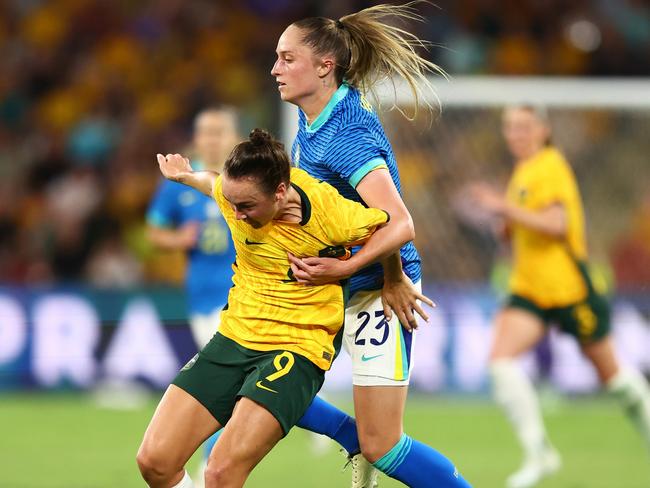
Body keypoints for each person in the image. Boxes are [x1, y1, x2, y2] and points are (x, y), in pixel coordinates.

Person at [136, 129, 411, 488]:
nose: (235, 214)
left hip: (297, 347)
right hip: (236, 336)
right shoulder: (234, 196)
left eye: (246, 207)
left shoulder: (331, 213)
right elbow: (214, 184)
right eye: (232, 204)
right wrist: (186, 176)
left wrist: (384, 277)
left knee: (219, 473)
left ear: (280, 193)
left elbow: (395, 228)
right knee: (154, 461)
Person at [271, 4, 470, 488]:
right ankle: (351, 435)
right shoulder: (319, 111)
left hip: (377, 291)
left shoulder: (346, 135)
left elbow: (399, 223)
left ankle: (366, 442)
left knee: (384, 444)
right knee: (260, 374)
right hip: (337, 285)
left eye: (286, 58)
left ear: (324, 67)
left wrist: (391, 277)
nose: (275, 69)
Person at [470, 104, 650, 488]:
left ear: (543, 129)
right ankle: (540, 453)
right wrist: (508, 226)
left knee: (615, 379)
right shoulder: (524, 171)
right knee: (500, 362)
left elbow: (557, 224)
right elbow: (526, 225)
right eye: (510, 127)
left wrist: (504, 208)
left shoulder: (550, 165)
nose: (515, 134)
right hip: (531, 290)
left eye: (523, 126)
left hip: (569, 290)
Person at [146, 107, 239, 474]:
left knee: (230, 385)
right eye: (206, 132)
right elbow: (153, 231)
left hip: (245, 295)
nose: (212, 138)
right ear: (197, 138)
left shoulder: (245, 174)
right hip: (203, 297)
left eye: (220, 132)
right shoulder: (180, 181)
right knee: (235, 385)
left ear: (232, 136)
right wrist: (176, 239)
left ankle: (206, 469)